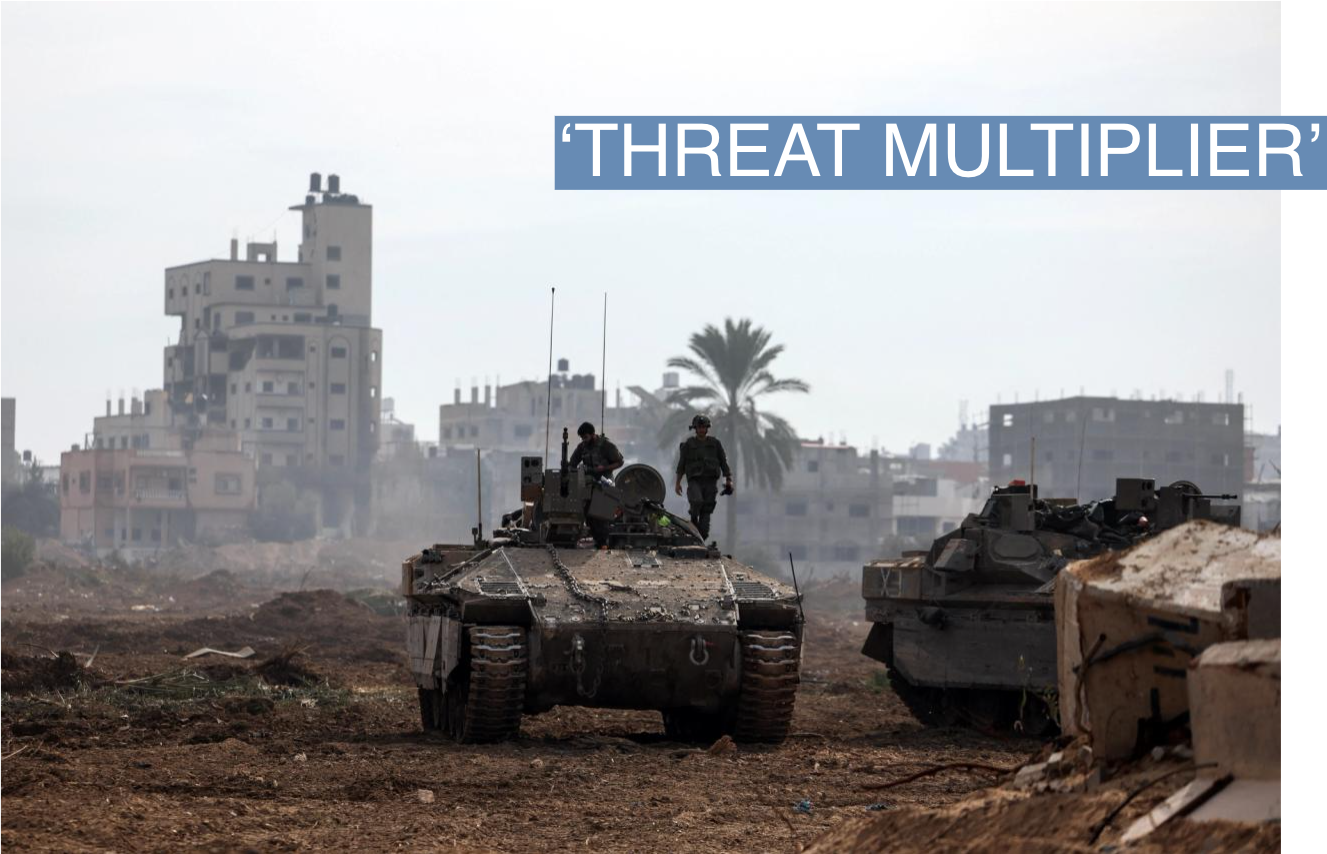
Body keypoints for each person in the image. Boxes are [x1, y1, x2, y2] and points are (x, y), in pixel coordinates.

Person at [674, 414, 733, 542]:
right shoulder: (689, 444)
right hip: (695, 481)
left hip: (711, 483)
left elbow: (723, 462)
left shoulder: (715, 444)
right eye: (699, 427)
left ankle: (699, 539)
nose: (701, 430)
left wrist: (728, 479)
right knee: (696, 501)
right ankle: (693, 518)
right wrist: (678, 482)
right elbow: (682, 464)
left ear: (707, 428)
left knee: (705, 522)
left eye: (704, 427)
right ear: (695, 428)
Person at [569, 422, 623, 548]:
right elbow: (573, 462)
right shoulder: (582, 447)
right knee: (588, 513)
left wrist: (604, 467)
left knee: (602, 514)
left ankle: (604, 542)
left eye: (586, 437)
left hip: (605, 481)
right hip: (589, 482)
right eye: (582, 438)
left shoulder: (606, 446)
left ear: (593, 434)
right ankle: (598, 540)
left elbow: (620, 462)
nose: (584, 440)